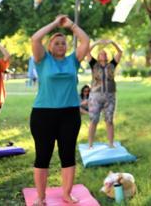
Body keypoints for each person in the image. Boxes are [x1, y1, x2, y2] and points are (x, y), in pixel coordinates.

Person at [30, 14, 90, 205]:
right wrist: (55, 24)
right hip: (43, 114)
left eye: (63, 43)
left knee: (67, 154)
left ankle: (66, 193)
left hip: (70, 114)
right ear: (49, 47)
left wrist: (71, 25)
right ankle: (40, 197)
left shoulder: (73, 60)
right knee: (43, 155)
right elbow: (35, 38)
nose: (61, 46)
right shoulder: (42, 60)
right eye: (56, 43)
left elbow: (86, 40)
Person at [85, 39, 122, 149]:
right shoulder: (94, 64)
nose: (103, 54)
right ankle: (90, 145)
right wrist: (96, 43)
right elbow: (87, 52)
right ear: (98, 56)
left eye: (105, 53)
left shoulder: (112, 65)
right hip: (95, 97)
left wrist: (112, 42)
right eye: (101, 53)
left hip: (110, 96)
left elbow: (120, 52)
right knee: (93, 120)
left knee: (109, 120)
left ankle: (111, 144)